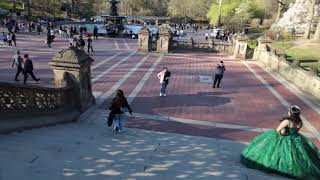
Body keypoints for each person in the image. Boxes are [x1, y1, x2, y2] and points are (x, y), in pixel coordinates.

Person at [241, 106, 320, 179]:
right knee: (296, 156)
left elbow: (278, 130)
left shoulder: (287, 121)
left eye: (289, 111)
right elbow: (295, 131)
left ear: (291, 113)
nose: (288, 112)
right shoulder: (300, 122)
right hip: (296, 138)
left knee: (276, 153)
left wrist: (283, 133)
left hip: (285, 138)